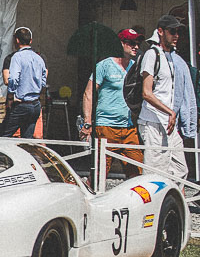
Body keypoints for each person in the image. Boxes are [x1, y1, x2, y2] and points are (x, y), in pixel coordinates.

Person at [80, 28, 142, 179]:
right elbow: (88, 93)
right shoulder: (104, 65)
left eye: (137, 43)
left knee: (138, 174)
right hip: (106, 128)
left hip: (129, 128)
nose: (136, 47)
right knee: (98, 176)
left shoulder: (135, 67)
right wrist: (87, 122)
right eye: (131, 43)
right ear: (120, 44)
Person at [139, 15, 187, 181]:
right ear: (160, 31)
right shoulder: (152, 54)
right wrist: (170, 112)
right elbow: (146, 93)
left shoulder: (171, 57)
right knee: (154, 175)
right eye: (172, 31)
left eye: (178, 32)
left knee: (180, 170)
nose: (176, 36)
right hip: (153, 121)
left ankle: (171, 198)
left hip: (168, 123)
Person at [0, 26, 46, 139]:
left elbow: (13, 78)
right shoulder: (39, 58)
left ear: (17, 40)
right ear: (30, 41)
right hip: (35, 104)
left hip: (22, 104)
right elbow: (43, 80)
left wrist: (11, 96)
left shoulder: (17, 57)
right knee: (27, 140)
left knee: (2, 136)